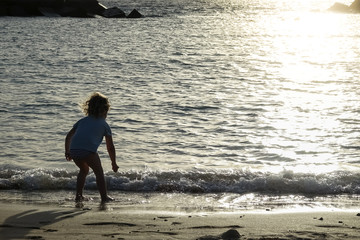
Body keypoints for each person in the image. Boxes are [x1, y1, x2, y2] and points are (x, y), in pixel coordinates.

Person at [65, 92, 119, 203]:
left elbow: (68, 136)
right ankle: (104, 198)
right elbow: (110, 147)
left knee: (83, 170)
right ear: (104, 111)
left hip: (74, 150)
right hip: (88, 152)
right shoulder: (104, 125)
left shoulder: (81, 121)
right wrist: (113, 162)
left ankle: (78, 196)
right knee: (99, 172)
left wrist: (67, 151)